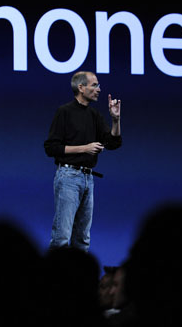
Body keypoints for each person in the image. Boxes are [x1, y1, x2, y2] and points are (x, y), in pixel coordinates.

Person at [44, 71, 122, 251]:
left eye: (98, 85)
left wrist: (115, 120)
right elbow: (51, 148)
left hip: (88, 179)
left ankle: (79, 279)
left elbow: (113, 143)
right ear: (81, 88)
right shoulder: (64, 112)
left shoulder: (94, 115)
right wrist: (84, 148)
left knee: (83, 239)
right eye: (94, 85)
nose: (99, 89)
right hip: (68, 176)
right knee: (62, 237)